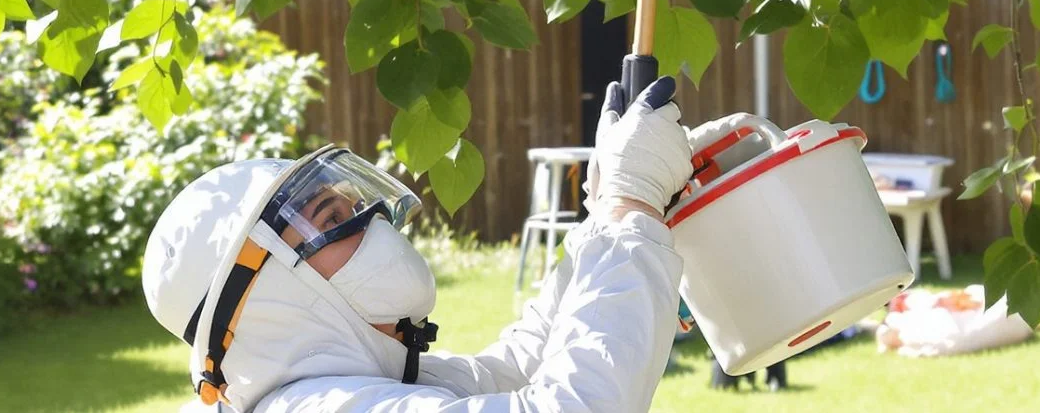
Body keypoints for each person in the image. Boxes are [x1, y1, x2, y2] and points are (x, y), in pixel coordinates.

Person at [142, 75, 701, 412]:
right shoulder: (322, 407)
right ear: (264, 291)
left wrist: (602, 221)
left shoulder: (350, 384)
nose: (368, 217)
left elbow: (511, 370)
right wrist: (631, 206)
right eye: (332, 215)